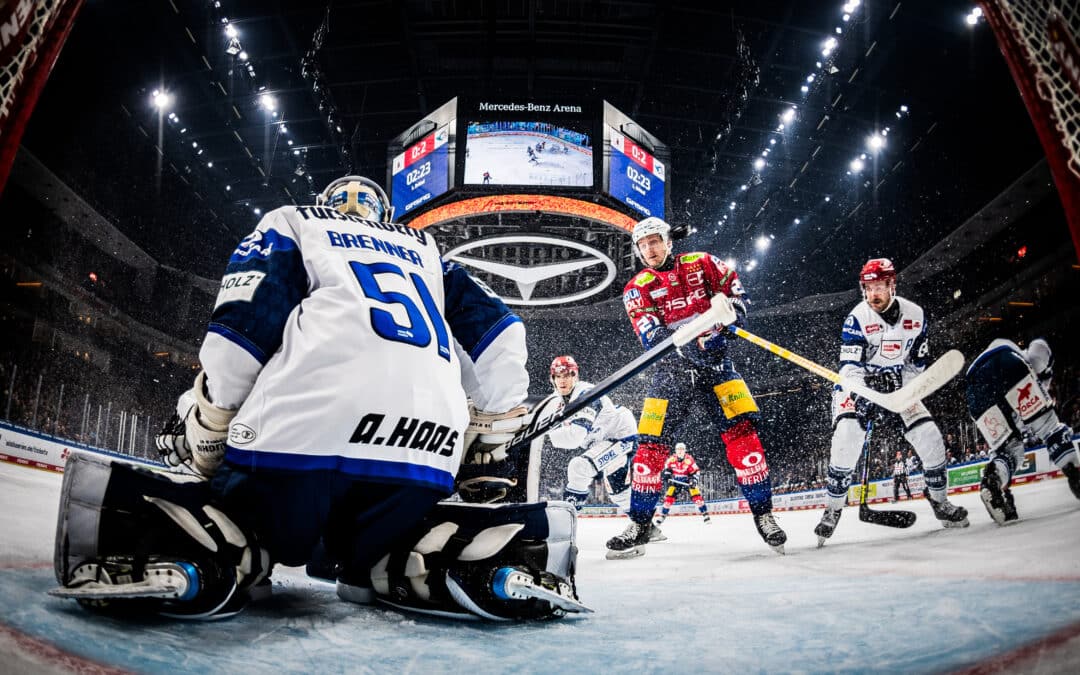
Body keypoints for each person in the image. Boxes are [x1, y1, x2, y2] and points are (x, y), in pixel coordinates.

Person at [50, 175, 586, 621]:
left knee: (252, 522)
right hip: (421, 457)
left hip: (297, 447)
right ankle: (466, 559)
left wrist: (212, 420)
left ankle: (205, 548)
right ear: (385, 211)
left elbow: (244, 326)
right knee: (389, 550)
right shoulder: (427, 252)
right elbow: (502, 334)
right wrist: (488, 433)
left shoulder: (296, 220)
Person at [606, 216, 786, 558]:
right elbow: (652, 336)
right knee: (648, 450)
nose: (650, 249)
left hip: (719, 368)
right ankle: (640, 523)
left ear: (668, 241)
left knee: (744, 439)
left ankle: (765, 516)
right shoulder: (637, 288)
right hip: (670, 375)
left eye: (655, 241)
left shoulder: (702, 262)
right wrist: (693, 344)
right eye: (643, 245)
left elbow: (737, 295)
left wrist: (729, 324)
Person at [815, 258, 969, 545]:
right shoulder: (856, 319)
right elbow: (849, 370)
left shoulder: (917, 316)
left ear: (892, 285)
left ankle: (940, 501)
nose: (873, 294)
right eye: (869, 287)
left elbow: (916, 365)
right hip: (858, 388)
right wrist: (869, 391)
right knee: (846, 440)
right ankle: (832, 510)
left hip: (899, 387)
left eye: (879, 287)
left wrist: (905, 390)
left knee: (930, 437)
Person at [965, 337, 1080, 524]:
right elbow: (1039, 351)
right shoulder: (1030, 355)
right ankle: (1074, 473)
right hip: (1007, 363)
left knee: (1009, 451)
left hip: (973, 386)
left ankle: (993, 482)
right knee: (1048, 426)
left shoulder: (995, 349)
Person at [544, 355, 638, 511]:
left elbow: (575, 437)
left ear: (575, 376)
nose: (562, 380)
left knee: (579, 467)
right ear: (552, 378)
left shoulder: (585, 394)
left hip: (620, 436)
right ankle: (645, 524)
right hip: (605, 439)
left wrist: (544, 438)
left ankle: (566, 518)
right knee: (618, 493)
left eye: (567, 375)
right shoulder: (555, 400)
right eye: (558, 376)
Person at [655, 442, 711, 524]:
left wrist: (693, 480)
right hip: (676, 481)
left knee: (697, 496)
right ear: (675, 450)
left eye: (682, 449)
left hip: (687, 480)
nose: (680, 451)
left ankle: (705, 515)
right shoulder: (671, 459)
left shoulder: (689, 460)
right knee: (668, 498)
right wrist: (667, 474)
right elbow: (667, 468)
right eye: (678, 449)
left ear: (685, 450)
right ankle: (663, 515)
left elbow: (696, 471)